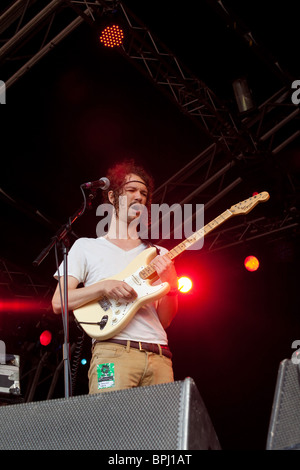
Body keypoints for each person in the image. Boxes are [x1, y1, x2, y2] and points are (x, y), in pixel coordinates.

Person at [51, 159, 179, 394]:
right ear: (112, 198)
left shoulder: (158, 255)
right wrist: (103, 287)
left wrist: (171, 283)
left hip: (159, 356)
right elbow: (59, 302)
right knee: (109, 427)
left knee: (161, 431)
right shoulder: (85, 247)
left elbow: (165, 320)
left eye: (143, 193)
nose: (139, 196)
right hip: (113, 352)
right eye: (131, 190)